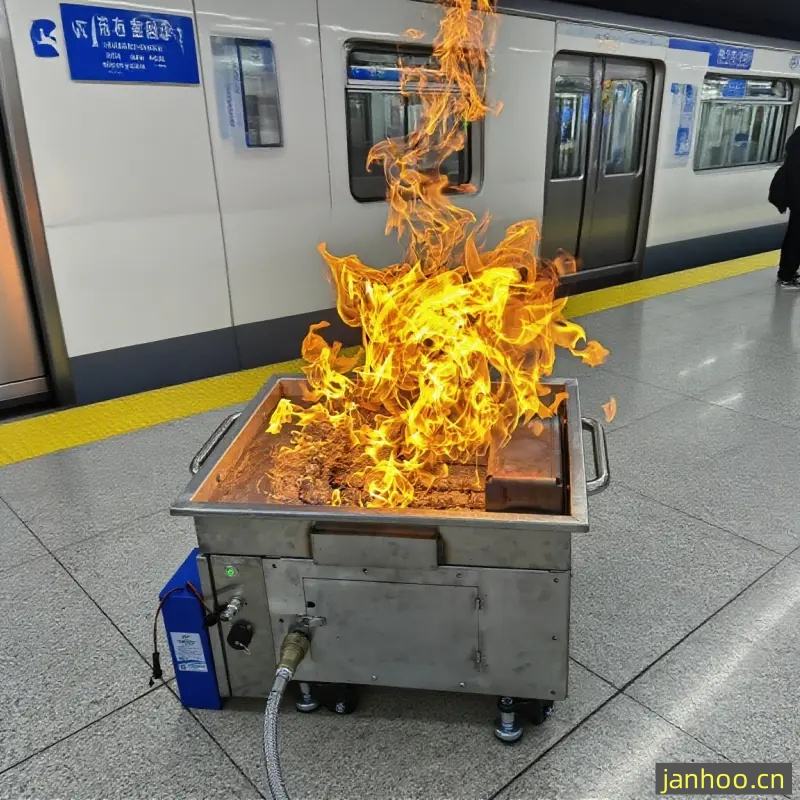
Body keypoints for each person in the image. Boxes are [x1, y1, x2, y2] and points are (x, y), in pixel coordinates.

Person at [774, 127, 800, 288]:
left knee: (795, 235)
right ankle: (786, 275)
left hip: (796, 197)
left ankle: (788, 272)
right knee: (796, 238)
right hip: (798, 197)